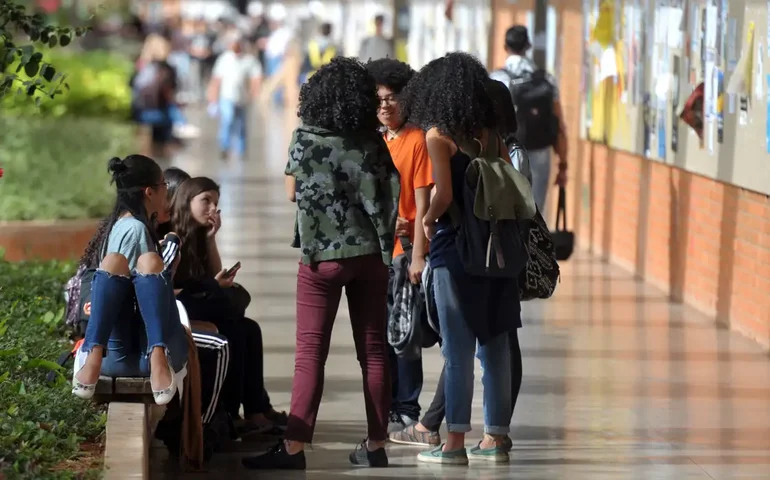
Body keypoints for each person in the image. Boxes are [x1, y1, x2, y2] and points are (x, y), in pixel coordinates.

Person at [241, 57, 400, 471]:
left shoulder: (304, 139)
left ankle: (293, 448)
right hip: (369, 256)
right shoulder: (372, 141)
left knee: (311, 353)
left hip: (321, 260)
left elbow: (292, 194)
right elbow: (388, 196)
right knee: (375, 351)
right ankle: (377, 443)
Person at [402, 52, 524, 465]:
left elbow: (445, 195)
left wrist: (427, 220)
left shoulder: (438, 135)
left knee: (457, 349)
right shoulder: (490, 134)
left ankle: (453, 443)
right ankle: (496, 436)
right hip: (498, 249)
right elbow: (510, 185)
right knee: (495, 342)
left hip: (457, 250)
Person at [167, 177, 286, 434]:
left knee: (250, 329)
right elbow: (165, 289)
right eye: (205, 201)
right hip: (177, 311)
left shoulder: (197, 236)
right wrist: (211, 287)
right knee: (233, 327)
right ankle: (232, 413)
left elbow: (211, 275)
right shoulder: (172, 238)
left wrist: (211, 239)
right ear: (186, 202)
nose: (212, 208)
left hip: (193, 304)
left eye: (216, 203)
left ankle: (255, 408)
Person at [72, 155, 189, 406]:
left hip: (114, 356)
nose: (166, 194)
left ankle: (93, 356)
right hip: (140, 349)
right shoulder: (135, 230)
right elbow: (137, 297)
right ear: (149, 192)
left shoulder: (119, 225)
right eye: (164, 187)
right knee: (149, 263)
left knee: (118, 262)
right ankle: (157, 354)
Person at [365, 58, 432, 434]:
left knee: (405, 334)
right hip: (373, 253)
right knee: (379, 335)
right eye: (379, 99)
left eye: (393, 98)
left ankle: (407, 406)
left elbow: (423, 205)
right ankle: (386, 405)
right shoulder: (372, 141)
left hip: (403, 252)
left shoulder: (417, 140)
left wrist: (418, 255)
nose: (386, 105)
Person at [489, 25, 568, 212]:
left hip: (505, 151)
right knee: (535, 209)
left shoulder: (496, 79)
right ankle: (529, 240)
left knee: (506, 210)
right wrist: (563, 164)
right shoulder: (546, 80)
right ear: (528, 46)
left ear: (505, 47)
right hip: (539, 149)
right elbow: (559, 125)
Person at [208, 34, 262, 160]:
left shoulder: (249, 60)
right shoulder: (224, 59)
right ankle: (224, 147)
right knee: (227, 121)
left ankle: (242, 150)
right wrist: (213, 99)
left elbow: (256, 77)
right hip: (226, 97)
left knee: (241, 125)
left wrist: (253, 93)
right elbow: (216, 80)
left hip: (242, 99)